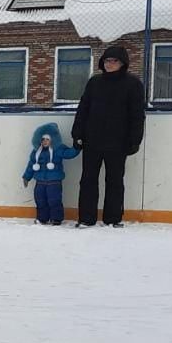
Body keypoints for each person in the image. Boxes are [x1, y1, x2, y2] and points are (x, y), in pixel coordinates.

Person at [71, 45, 146, 229]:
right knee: (88, 180)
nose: (109, 64)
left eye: (114, 61)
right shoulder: (94, 82)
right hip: (92, 140)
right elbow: (83, 109)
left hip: (118, 143)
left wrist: (134, 140)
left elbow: (137, 115)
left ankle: (113, 218)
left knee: (115, 181)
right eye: (106, 60)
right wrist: (77, 133)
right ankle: (86, 218)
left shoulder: (133, 84)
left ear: (123, 63)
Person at [22, 122, 80, 226]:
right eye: (43, 139)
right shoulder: (36, 152)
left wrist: (77, 147)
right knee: (40, 200)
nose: (45, 142)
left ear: (53, 139)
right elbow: (31, 165)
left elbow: (69, 154)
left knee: (54, 200)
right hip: (40, 182)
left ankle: (56, 218)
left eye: (47, 139)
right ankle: (42, 218)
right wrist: (27, 177)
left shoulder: (58, 149)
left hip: (54, 182)